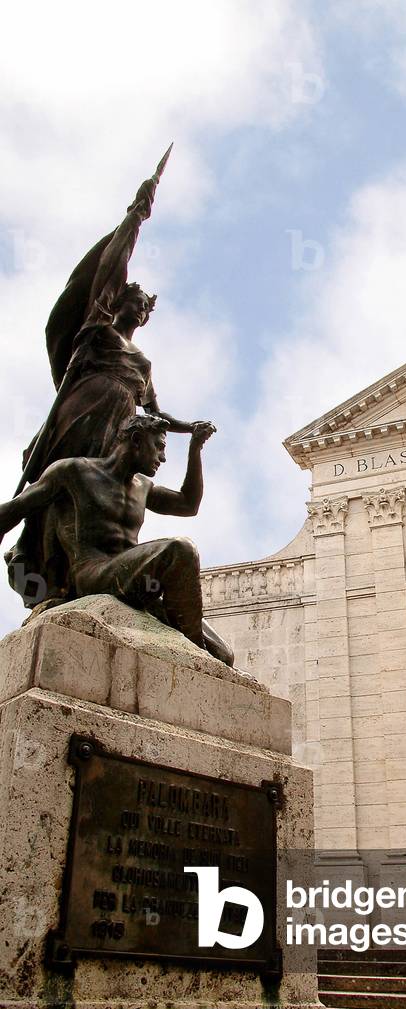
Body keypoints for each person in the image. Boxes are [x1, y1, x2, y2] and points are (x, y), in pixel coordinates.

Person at [8, 149, 215, 607]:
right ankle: (49, 580)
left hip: (118, 428)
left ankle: (86, 574)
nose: (139, 312)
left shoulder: (142, 364)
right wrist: (134, 219)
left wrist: (191, 433)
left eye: (145, 308)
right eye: (135, 302)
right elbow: (107, 269)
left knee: (99, 492)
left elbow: (157, 415)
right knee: (63, 486)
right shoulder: (96, 329)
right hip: (79, 413)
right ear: (120, 302)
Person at [0, 415, 233, 666]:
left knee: (223, 654)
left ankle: (199, 653)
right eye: (159, 447)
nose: (163, 458)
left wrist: (195, 449)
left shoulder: (143, 486)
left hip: (135, 581)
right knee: (181, 549)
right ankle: (194, 659)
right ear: (136, 440)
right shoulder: (73, 472)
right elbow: (15, 509)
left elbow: (188, 504)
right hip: (93, 572)